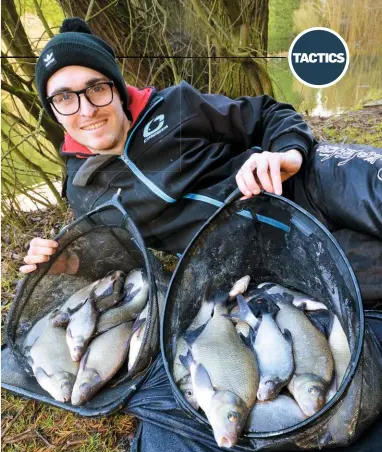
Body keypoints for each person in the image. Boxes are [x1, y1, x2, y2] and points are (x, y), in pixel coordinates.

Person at [20, 16, 316, 274]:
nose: (86, 111)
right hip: (261, 263)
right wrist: (70, 264)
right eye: (64, 98)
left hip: (305, 192)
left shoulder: (175, 106)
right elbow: (122, 257)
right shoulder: (80, 189)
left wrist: (286, 154)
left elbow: (267, 114)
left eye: (97, 88)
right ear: (53, 111)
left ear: (118, 89)